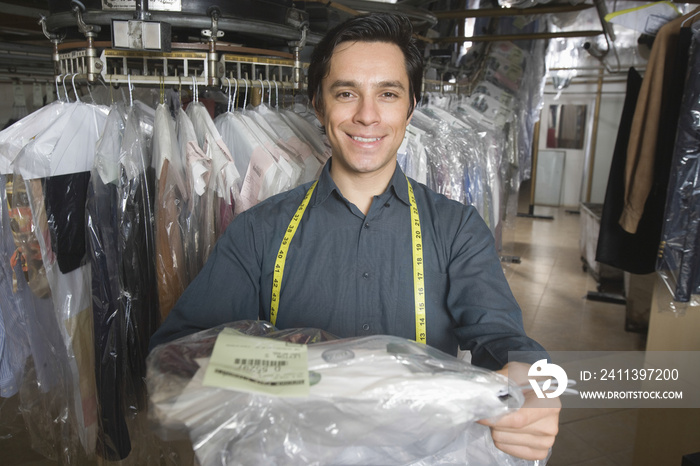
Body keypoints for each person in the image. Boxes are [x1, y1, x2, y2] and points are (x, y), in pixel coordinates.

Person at [149, 13, 560, 461]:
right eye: (346, 93)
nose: (367, 116)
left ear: (411, 106)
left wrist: (534, 381)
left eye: (387, 94)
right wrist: (308, 374)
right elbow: (177, 359)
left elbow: (502, 338)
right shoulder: (259, 231)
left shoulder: (457, 229)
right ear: (318, 105)